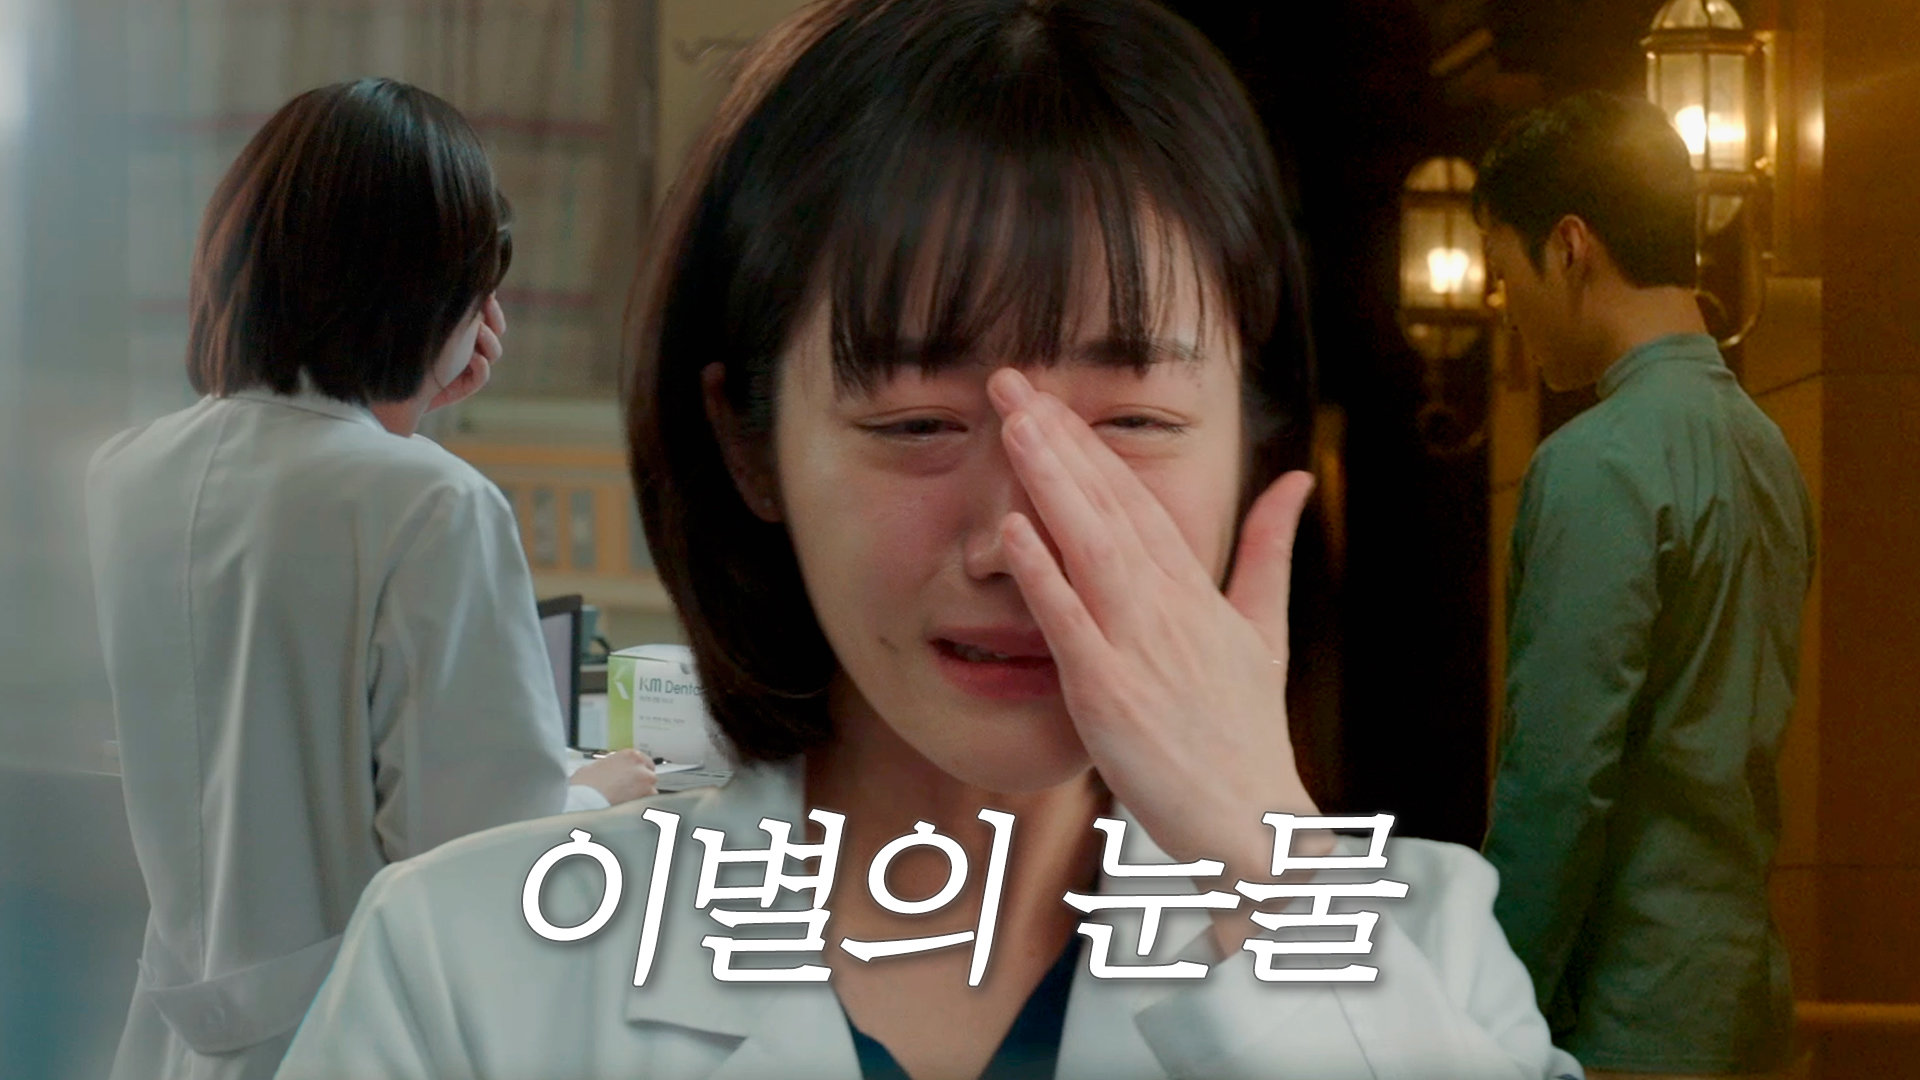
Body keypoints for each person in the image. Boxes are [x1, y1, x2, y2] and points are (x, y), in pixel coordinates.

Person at [277, 5, 1580, 1078]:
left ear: (1253, 444)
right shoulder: (465, 975)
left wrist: (1262, 862)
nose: (1020, 540)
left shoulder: (1425, 956)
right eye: (915, 424)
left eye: (1131, 421)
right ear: (749, 444)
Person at [85, 78, 657, 1080]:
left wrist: (402, 408)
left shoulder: (125, 473)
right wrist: (589, 796)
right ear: (428, 294)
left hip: (181, 1032)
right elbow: (480, 852)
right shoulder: (433, 504)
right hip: (356, 1027)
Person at [1474, 92, 1814, 1078]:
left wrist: (1484, 1012)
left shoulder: (1595, 463)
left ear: (1569, 247)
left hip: (1624, 1018)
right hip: (1743, 999)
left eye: (1505, 272)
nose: (1507, 309)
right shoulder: (1768, 450)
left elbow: (1556, 782)